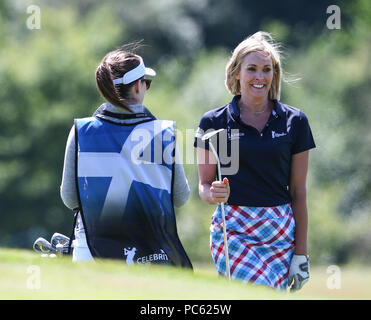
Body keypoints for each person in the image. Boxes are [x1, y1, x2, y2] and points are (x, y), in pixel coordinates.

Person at [194, 31, 315, 290]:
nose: (260, 77)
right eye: (252, 69)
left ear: (274, 74)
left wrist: (301, 254)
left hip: (280, 234)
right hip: (234, 231)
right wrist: (213, 193)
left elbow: (298, 192)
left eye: (266, 69)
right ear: (237, 73)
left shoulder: (296, 122)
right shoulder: (213, 122)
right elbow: (203, 187)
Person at [60, 45, 192, 269]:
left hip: (90, 249)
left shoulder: (81, 130)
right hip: (152, 253)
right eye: (146, 83)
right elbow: (180, 197)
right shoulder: (163, 133)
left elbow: (70, 198)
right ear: (139, 86)